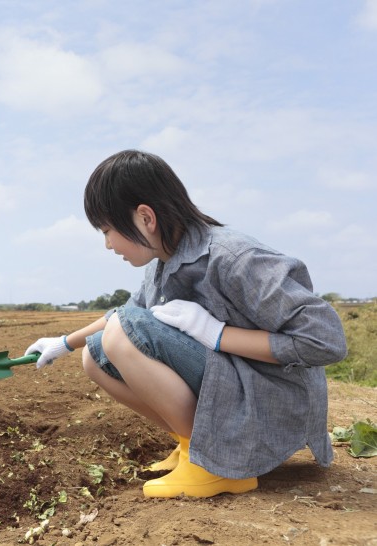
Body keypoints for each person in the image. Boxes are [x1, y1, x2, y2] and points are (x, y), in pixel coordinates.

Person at [26, 150, 347, 498]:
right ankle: (193, 445)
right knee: (95, 354)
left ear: (145, 218)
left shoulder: (234, 258)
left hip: (273, 399)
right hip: (237, 385)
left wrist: (218, 335)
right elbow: (121, 313)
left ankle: (214, 467)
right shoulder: (163, 262)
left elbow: (325, 340)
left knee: (121, 335)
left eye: (107, 230)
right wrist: (64, 343)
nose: (107, 245)